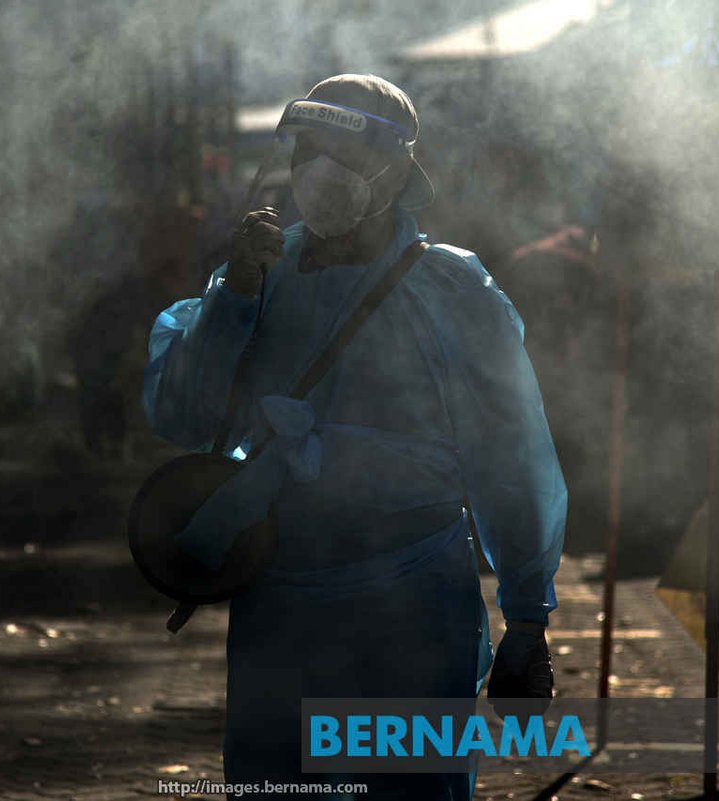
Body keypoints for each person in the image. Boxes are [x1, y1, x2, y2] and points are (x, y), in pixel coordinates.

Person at [141, 74, 566, 800]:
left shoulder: (452, 291)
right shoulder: (257, 275)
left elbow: (512, 458)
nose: (320, 169)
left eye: (344, 152)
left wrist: (526, 617)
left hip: (413, 603)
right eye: (307, 150)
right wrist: (232, 300)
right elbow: (182, 414)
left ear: (397, 170)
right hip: (279, 602)